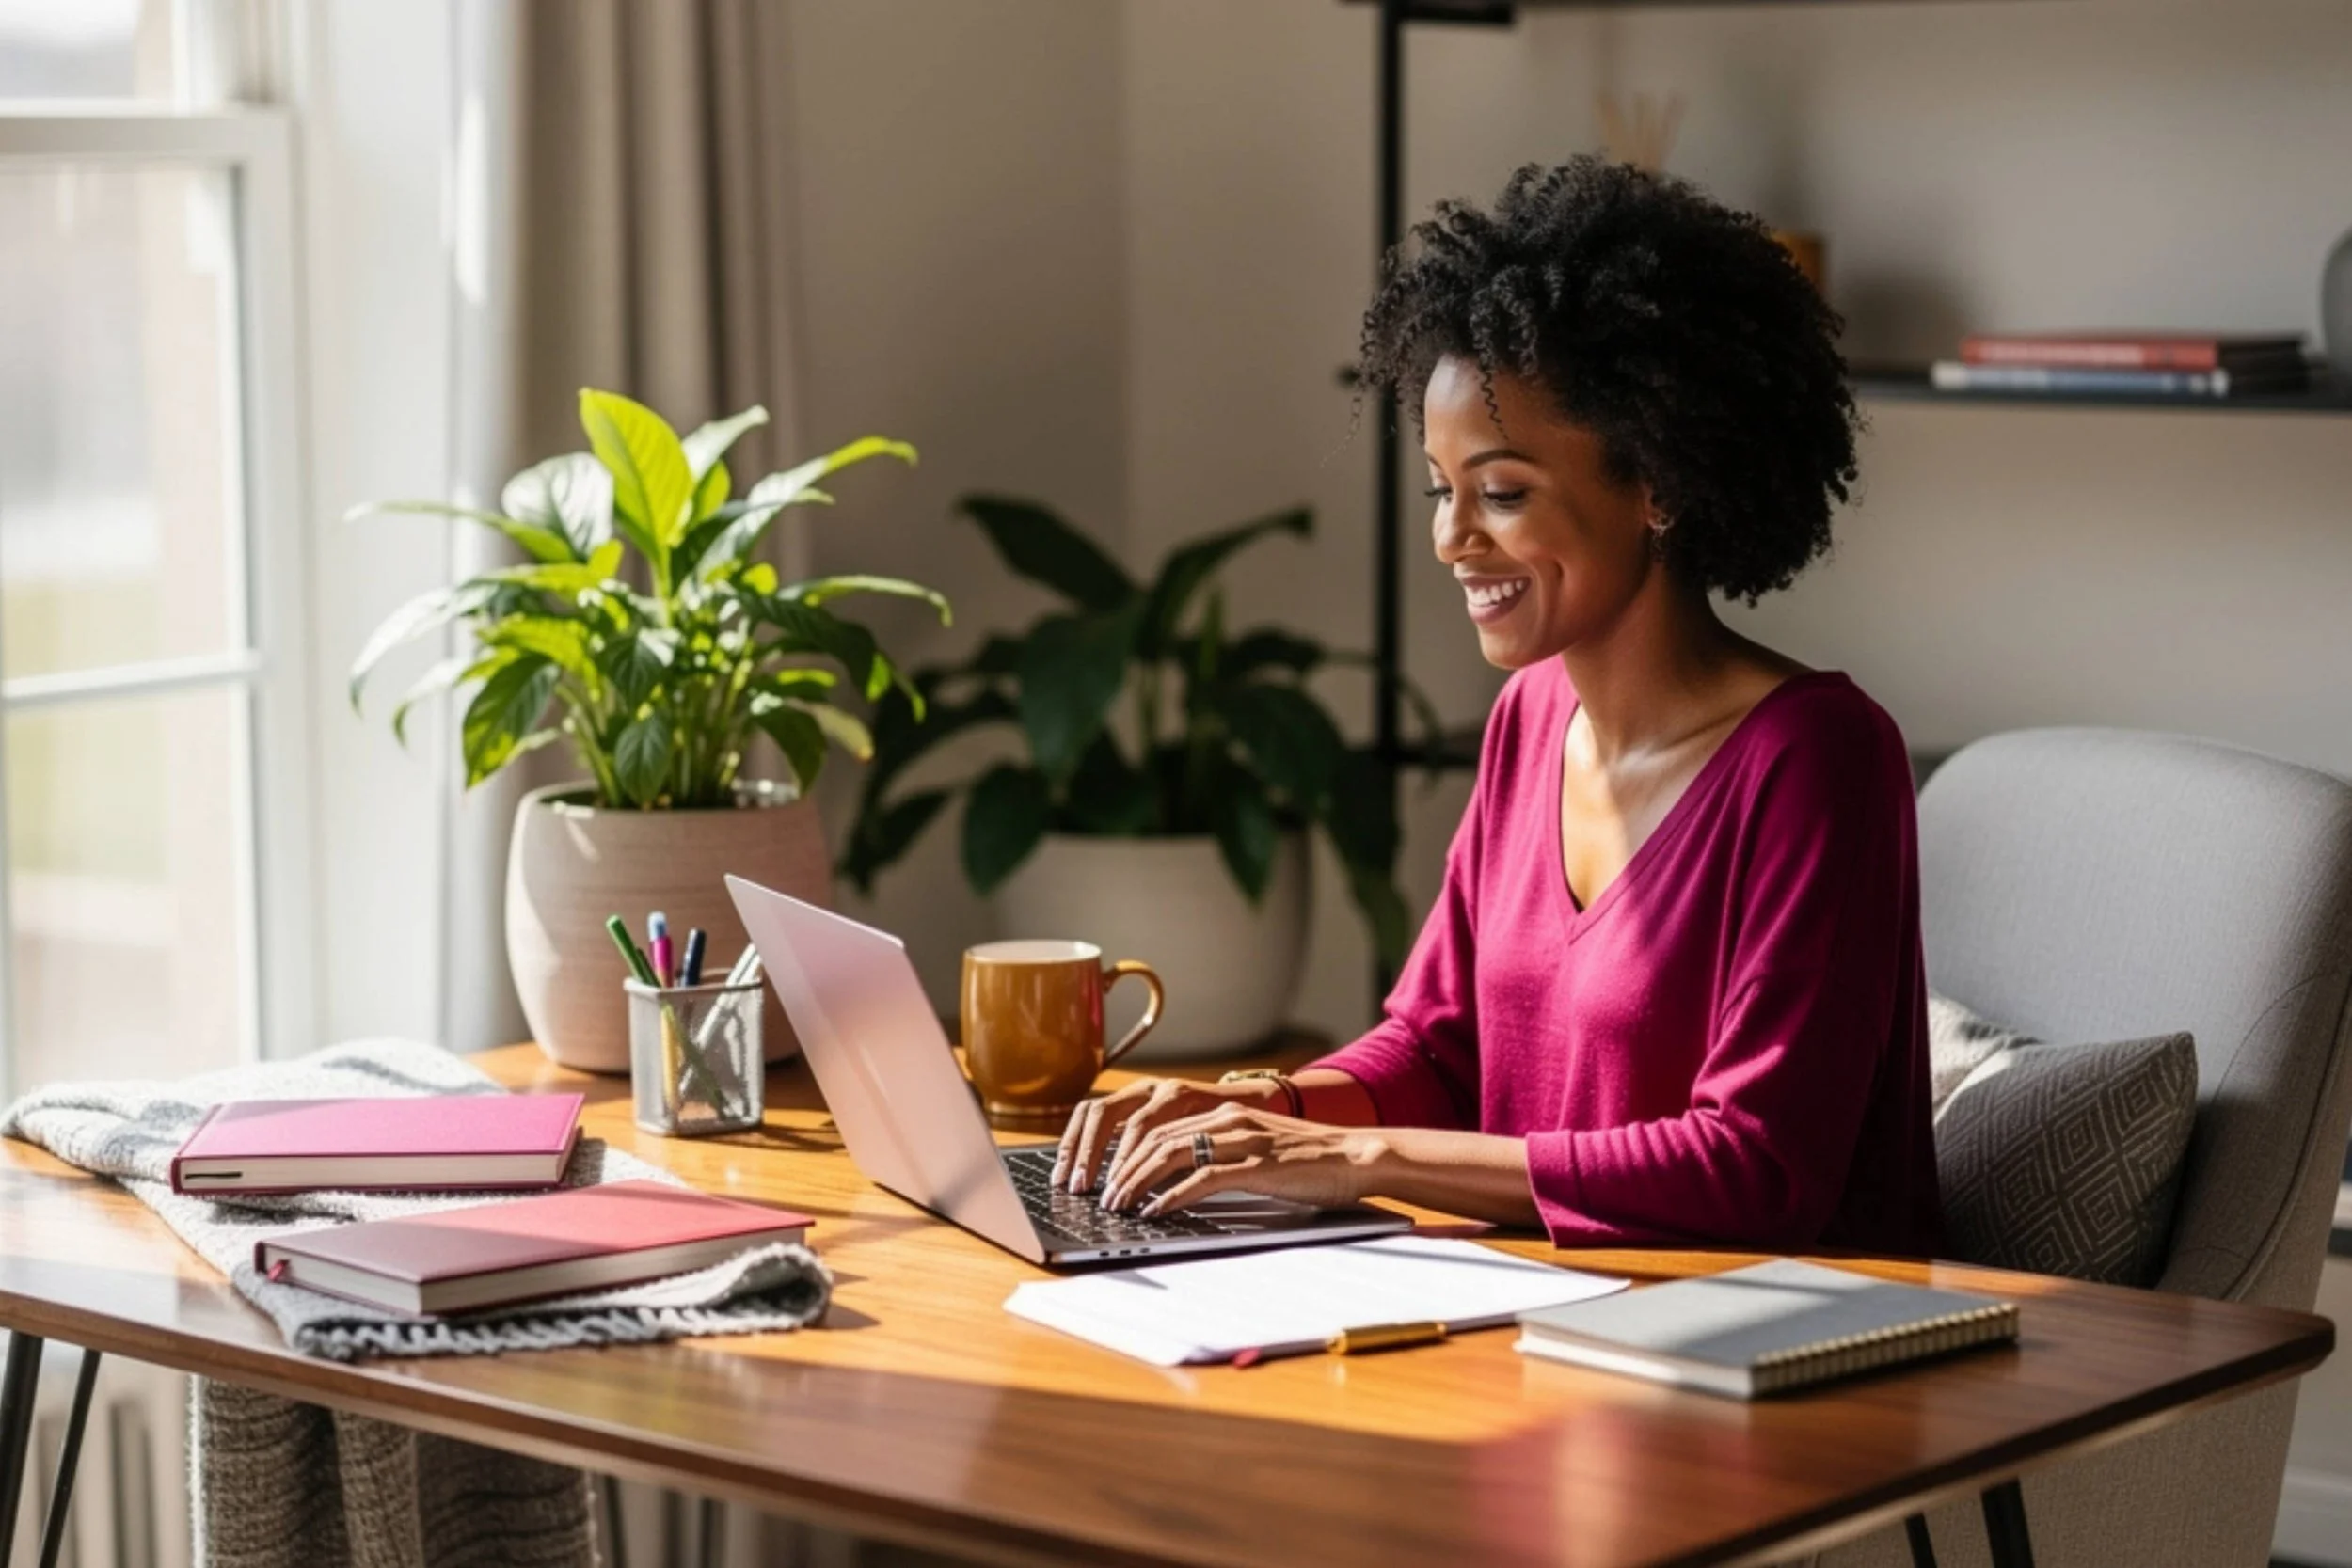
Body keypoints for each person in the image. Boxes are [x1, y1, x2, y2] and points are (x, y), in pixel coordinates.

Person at [1054, 157, 1943, 1256]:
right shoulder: (1531, 719)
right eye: (1441, 488)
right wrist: (1259, 1112)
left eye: (1503, 491)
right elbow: (1433, 1046)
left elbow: (1757, 1168)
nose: (1451, 537)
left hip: (1773, 1365)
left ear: (1659, 483)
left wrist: (1359, 1161)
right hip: (1539, 1325)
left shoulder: (1817, 759)